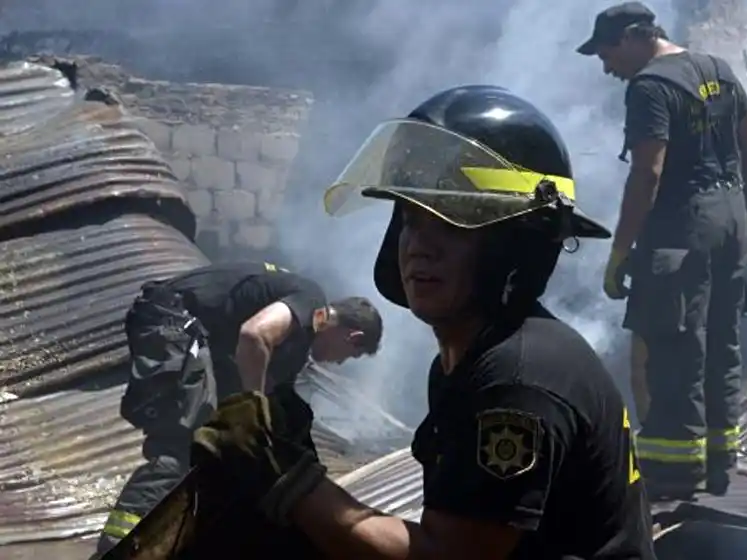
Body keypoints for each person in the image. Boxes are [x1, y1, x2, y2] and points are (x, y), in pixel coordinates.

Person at [189, 85, 658, 559]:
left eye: (452, 224)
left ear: (514, 245)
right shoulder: (472, 358)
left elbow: (446, 557)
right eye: (411, 220)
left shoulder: (518, 378)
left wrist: (290, 480)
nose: (419, 246)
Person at [578, 2, 747, 499]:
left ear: (633, 38)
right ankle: (719, 464)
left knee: (673, 347)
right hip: (731, 217)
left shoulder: (650, 86)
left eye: (607, 54)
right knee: (722, 343)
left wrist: (620, 251)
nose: (606, 68)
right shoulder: (718, 69)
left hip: (683, 227)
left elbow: (648, 172)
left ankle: (672, 474)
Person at [93, 261, 383, 555]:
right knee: (181, 446)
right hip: (173, 320)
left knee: (213, 448)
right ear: (353, 337)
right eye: (348, 356)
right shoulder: (311, 299)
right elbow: (254, 335)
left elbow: (278, 399)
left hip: (200, 337)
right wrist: (252, 406)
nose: (338, 363)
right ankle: (115, 548)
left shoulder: (295, 346)